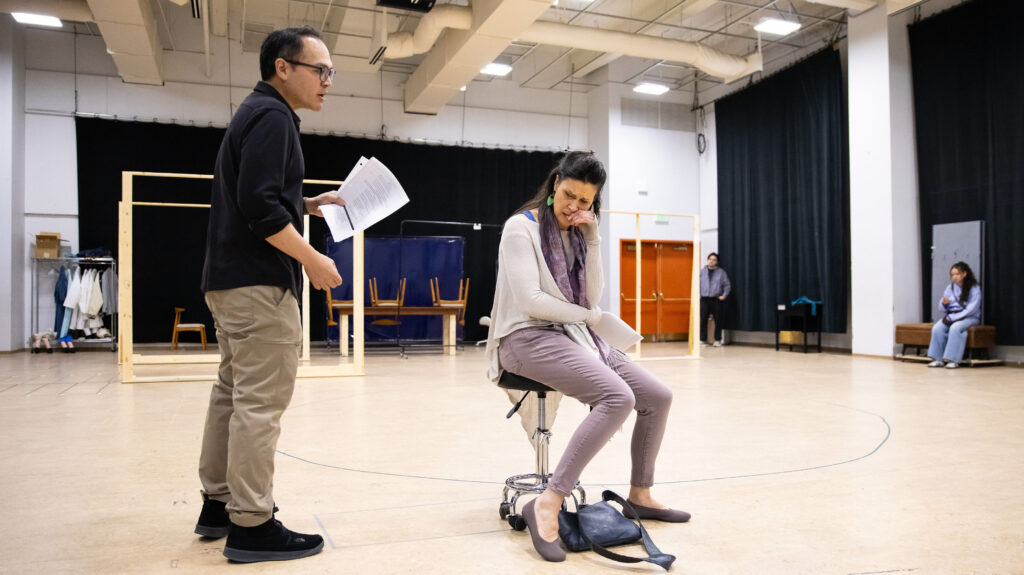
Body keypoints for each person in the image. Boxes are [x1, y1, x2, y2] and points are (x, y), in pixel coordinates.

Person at [485, 151, 688, 563]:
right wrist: (591, 318)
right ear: (555, 183)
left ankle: (641, 493)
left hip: (575, 335)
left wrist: (593, 238)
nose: (573, 207)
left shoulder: (579, 231)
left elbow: (591, 294)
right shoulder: (518, 229)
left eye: (585, 201)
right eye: (569, 195)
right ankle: (549, 500)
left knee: (657, 397)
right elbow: (532, 300)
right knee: (618, 397)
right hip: (524, 338)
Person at [194, 26, 345, 563]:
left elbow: (255, 196)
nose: (328, 81)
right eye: (320, 70)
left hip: (228, 280)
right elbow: (260, 212)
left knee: (231, 395)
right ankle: (252, 523)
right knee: (258, 405)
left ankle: (219, 504)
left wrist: (307, 203)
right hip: (258, 284)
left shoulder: (256, 113)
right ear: (284, 67)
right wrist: (315, 260)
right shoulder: (276, 118)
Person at [927, 261, 982, 369]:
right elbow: (941, 307)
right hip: (951, 316)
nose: (954, 277)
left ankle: (953, 359)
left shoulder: (974, 288)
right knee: (937, 328)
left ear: (964, 274)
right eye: (952, 275)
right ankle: (937, 359)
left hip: (969, 317)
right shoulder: (950, 288)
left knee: (955, 328)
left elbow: (972, 309)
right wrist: (944, 304)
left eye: (957, 274)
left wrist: (953, 318)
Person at [699, 252, 730, 346]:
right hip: (704, 299)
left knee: (718, 320)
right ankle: (702, 339)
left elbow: (727, 285)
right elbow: (696, 284)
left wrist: (724, 295)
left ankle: (717, 340)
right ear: (707, 260)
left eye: (714, 260)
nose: (711, 261)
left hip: (716, 299)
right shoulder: (701, 271)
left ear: (717, 262)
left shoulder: (721, 272)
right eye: (710, 259)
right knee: (703, 319)